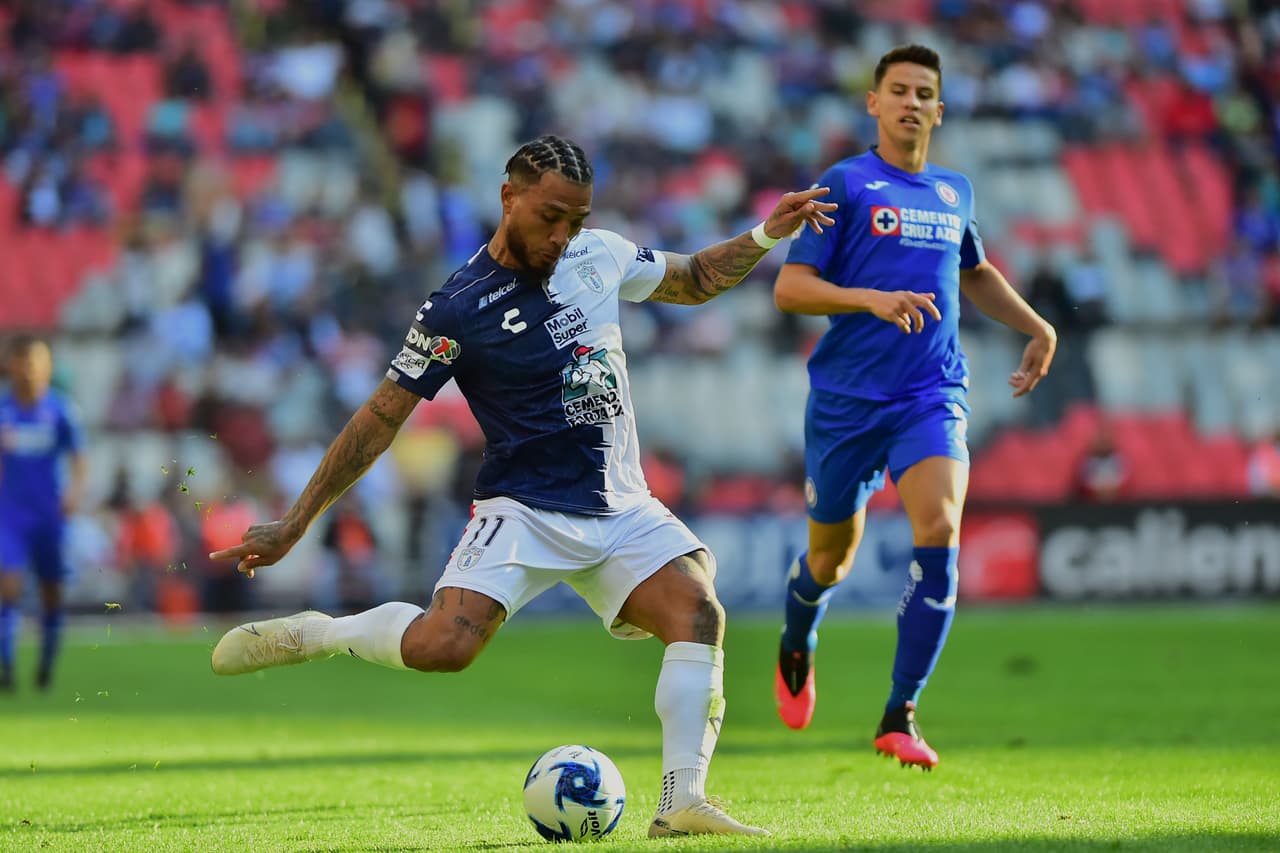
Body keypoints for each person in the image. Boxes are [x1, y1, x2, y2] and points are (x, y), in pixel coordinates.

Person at [208, 135, 836, 837]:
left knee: (698, 611)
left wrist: (764, 233)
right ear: (509, 198)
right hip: (525, 509)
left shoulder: (600, 255)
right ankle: (319, 633)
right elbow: (381, 419)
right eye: (550, 216)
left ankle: (680, 803)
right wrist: (296, 522)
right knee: (443, 648)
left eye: (576, 218)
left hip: (620, 502)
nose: (562, 234)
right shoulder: (456, 309)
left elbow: (692, 278)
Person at [770, 45, 1057, 769]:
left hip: (931, 393)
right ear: (874, 103)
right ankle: (797, 635)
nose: (911, 102)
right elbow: (791, 288)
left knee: (941, 527)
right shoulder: (845, 184)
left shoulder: (954, 191)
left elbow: (975, 271)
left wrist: (1037, 327)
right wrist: (868, 298)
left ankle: (900, 713)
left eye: (924, 93)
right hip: (846, 402)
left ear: (939, 110)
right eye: (898, 90)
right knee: (830, 561)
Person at [0, 335, 87, 691]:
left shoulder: (61, 410)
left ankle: (46, 666)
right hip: (11, 516)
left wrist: (74, 493)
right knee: (8, 587)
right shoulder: (3, 410)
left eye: (35, 361)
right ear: (11, 365)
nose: (29, 369)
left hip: (49, 515)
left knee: (52, 592)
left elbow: (79, 459)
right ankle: (6, 668)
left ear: (48, 367)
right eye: (23, 361)